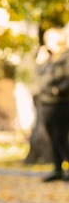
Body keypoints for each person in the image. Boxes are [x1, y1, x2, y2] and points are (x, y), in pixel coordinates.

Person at [36, 28, 69, 182]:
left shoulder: (65, 56)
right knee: (53, 138)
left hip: (61, 102)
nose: (46, 41)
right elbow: (38, 79)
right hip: (46, 103)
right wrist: (40, 62)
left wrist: (59, 90)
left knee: (60, 137)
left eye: (50, 38)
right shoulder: (49, 59)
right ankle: (57, 169)